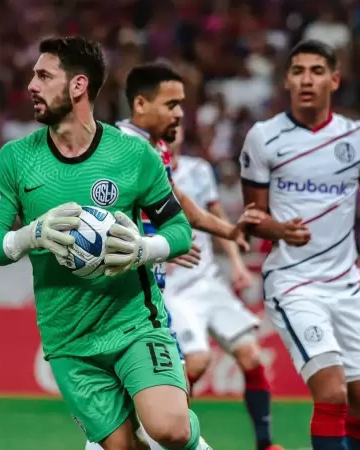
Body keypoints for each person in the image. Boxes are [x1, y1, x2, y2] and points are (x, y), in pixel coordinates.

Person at [0, 36, 214, 450]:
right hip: (68, 339)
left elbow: (179, 232)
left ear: (78, 86)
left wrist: (143, 249)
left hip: (134, 323)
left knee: (169, 429)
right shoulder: (15, 158)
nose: (31, 85)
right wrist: (30, 235)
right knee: (122, 447)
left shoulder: (133, 156)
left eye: (44, 75)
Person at [240, 39, 360, 450]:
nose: (307, 79)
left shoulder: (358, 137)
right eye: (298, 71)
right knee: (332, 394)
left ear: (334, 80)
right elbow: (254, 219)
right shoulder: (265, 137)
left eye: (317, 71)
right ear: (287, 79)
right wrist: (278, 230)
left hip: (345, 287)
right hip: (293, 283)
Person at [109, 62, 280, 450]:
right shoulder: (115, 146)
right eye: (172, 104)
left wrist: (227, 232)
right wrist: (155, 248)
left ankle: (264, 441)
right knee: (153, 416)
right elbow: (98, 218)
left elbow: (177, 204)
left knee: (135, 425)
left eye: (182, 105)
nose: (181, 114)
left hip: (150, 298)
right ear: (140, 104)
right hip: (123, 304)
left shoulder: (157, 149)